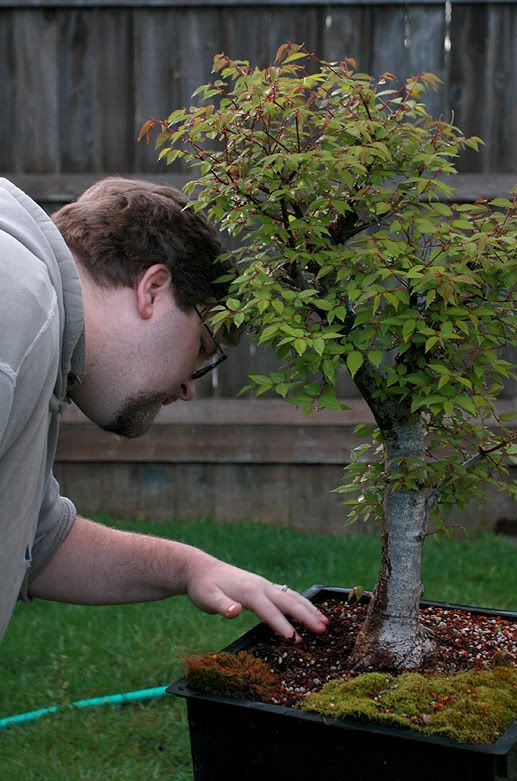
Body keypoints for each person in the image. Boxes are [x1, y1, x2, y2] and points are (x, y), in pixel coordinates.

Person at [0, 176, 329, 644]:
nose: (187, 387)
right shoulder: (17, 314)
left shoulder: (39, 328)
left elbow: (36, 542)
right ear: (153, 289)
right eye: (201, 347)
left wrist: (192, 569)